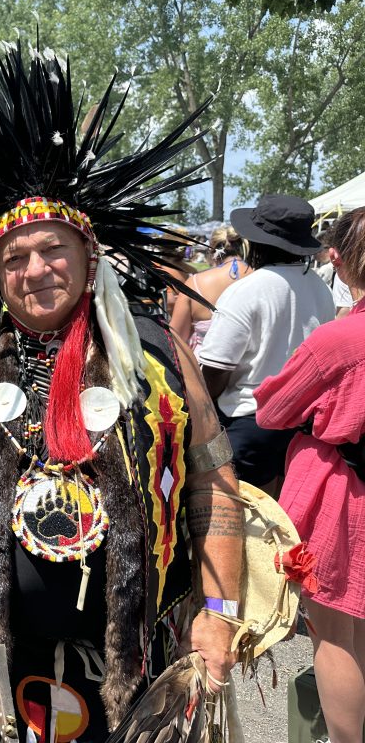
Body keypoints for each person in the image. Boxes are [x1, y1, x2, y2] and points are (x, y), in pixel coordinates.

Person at [0, 41, 241, 742]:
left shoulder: (158, 357)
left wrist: (219, 611)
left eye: (53, 250)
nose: (36, 269)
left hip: (139, 663)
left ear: (89, 257)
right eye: (15, 257)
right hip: (1, 669)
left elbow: (213, 485)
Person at [254, 206, 365, 743]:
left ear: (339, 260)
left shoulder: (339, 341)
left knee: (334, 631)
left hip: (346, 494)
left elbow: (272, 410)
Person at [198, 195, 335, 496]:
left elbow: (216, 370)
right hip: (300, 424)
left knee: (242, 516)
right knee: (282, 511)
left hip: (248, 423)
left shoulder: (247, 291)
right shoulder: (321, 289)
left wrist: (199, 417)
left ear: (256, 243)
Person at [169, 226, 250, 353]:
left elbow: (176, 338)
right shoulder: (260, 277)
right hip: (255, 362)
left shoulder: (195, 282)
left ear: (213, 251)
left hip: (205, 362)